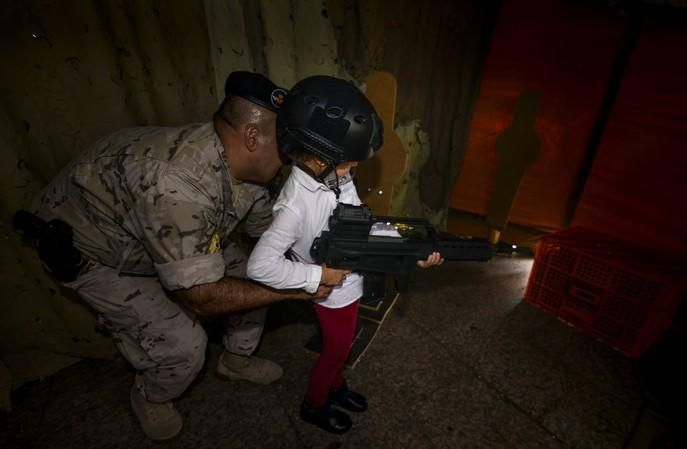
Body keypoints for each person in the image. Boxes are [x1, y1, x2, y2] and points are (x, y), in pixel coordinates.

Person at [27, 71, 332, 440]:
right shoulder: (177, 182)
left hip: (155, 234)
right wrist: (300, 288)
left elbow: (266, 234)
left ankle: (236, 360)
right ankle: (150, 396)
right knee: (184, 345)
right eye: (287, 142)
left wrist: (317, 252)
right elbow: (200, 298)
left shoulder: (247, 166)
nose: (293, 154)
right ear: (252, 136)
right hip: (93, 250)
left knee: (260, 273)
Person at [246, 75, 443, 434]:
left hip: (350, 284)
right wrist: (318, 277)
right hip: (331, 294)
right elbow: (259, 265)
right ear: (318, 155)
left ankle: (336, 387)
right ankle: (314, 403)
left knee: (342, 346)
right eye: (348, 164)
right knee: (335, 351)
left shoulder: (334, 177)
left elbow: (360, 227)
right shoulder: (293, 206)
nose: (353, 172)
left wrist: (408, 250)